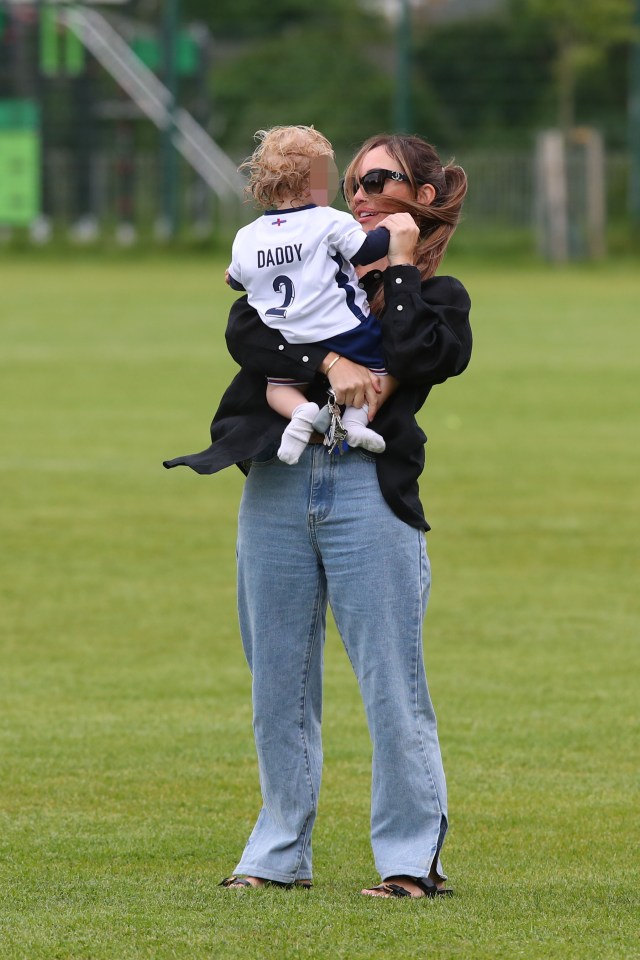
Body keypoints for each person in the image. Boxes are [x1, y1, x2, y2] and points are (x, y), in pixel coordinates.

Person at [163, 133, 472, 898]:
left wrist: (398, 263)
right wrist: (328, 362)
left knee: (389, 683)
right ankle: (276, 857)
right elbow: (245, 329)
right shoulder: (300, 261)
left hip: (369, 488)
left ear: (422, 198)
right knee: (278, 681)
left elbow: (421, 353)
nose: (357, 192)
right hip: (278, 479)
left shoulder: (438, 295)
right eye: (353, 180)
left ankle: (409, 863)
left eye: (378, 179)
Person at [226, 124, 396, 465]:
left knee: (276, 388)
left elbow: (236, 281)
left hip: (290, 337)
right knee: (382, 365)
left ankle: (301, 412)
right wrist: (391, 232)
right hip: (346, 330)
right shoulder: (330, 221)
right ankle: (355, 422)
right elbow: (364, 251)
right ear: (314, 181)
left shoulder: (247, 236)